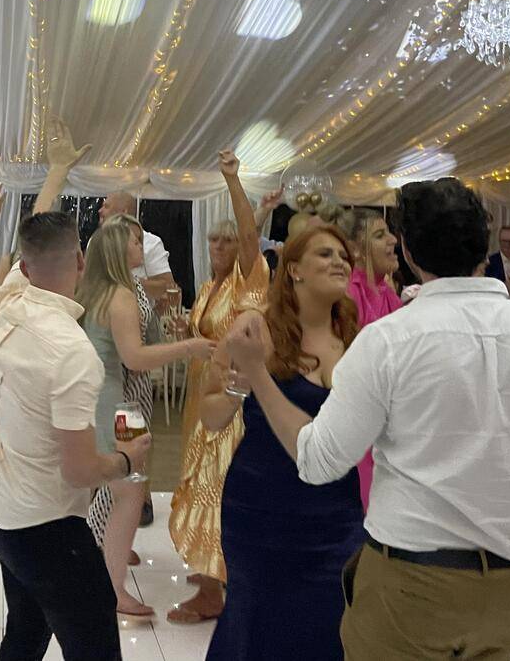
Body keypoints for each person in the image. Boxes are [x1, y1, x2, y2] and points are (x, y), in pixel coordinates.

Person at [223, 177, 510, 660]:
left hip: (409, 582)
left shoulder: (390, 340)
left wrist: (256, 375)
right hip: (508, 585)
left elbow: (317, 461)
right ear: (484, 247)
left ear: (410, 252)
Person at [0, 207, 152, 661]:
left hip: (1, 517)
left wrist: (56, 171)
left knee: (24, 634)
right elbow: (79, 471)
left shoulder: (6, 301)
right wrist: (127, 460)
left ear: (22, 266)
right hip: (49, 532)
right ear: (80, 260)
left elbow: (34, 247)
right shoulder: (72, 351)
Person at [202, 224, 364, 660]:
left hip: (338, 511)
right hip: (263, 510)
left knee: (330, 623)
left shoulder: (355, 334)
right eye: (325, 254)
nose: (339, 262)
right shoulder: (256, 329)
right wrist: (239, 388)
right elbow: (211, 416)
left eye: (343, 256)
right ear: (293, 270)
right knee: (258, 623)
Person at [75, 215, 215, 618]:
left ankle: (104, 575)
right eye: (135, 242)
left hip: (110, 399)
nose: (144, 246)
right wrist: (188, 346)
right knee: (129, 492)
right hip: (113, 402)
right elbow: (135, 357)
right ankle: (112, 589)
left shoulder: (104, 290)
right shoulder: (119, 294)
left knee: (124, 489)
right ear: (120, 251)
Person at [169, 150, 269, 624]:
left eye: (226, 243)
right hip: (202, 391)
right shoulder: (210, 287)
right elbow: (201, 332)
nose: (219, 248)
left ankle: (213, 590)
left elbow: (251, 234)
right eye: (213, 242)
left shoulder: (250, 282)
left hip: (233, 396)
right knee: (200, 476)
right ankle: (212, 570)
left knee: (216, 483)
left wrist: (233, 181)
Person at [342, 209, 401, 512]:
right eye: (379, 235)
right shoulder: (348, 297)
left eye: (389, 232)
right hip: (359, 432)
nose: (393, 240)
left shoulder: (388, 294)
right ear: (355, 249)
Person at [98, 191, 176, 301]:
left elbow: (168, 287)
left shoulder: (151, 243)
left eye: (106, 206)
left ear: (123, 212)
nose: (100, 210)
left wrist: (125, 282)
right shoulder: (95, 242)